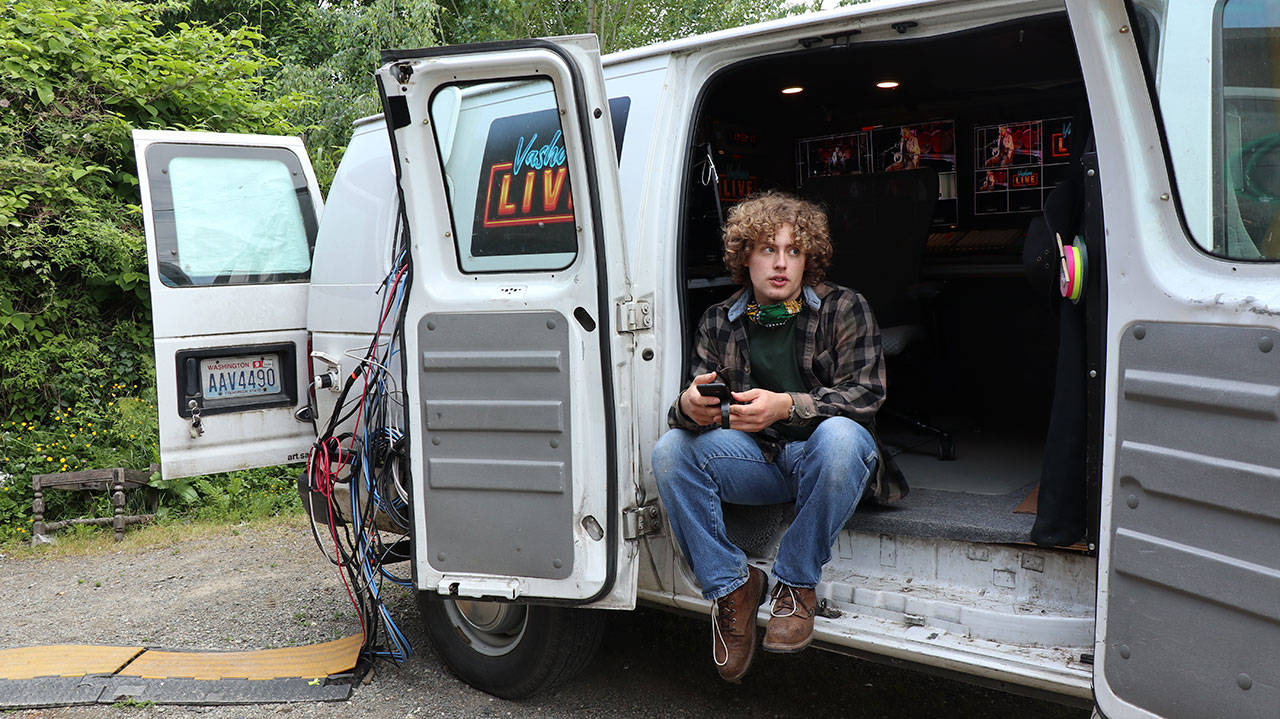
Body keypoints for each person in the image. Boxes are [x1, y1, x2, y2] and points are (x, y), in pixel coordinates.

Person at [651, 191, 886, 682]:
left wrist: (789, 404)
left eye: (794, 251)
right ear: (744, 257)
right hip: (755, 461)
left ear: (809, 259)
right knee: (671, 450)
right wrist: (688, 406)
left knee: (842, 438)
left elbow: (867, 395)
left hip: (823, 463)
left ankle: (796, 586)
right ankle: (732, 588)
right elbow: (697, 411)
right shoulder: (719, 319)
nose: (781, 264)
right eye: (767, 250)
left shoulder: (845, 307)